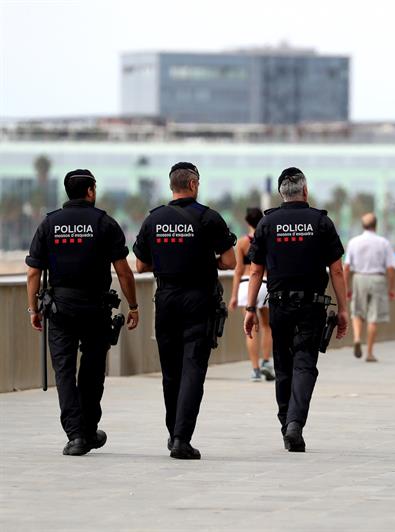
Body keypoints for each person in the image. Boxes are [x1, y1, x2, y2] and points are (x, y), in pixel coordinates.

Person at [25, 169, 139, 456]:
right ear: (90, 191)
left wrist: (33, 309)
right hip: (94, 308)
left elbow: (33, 273)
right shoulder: (104, 222)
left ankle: (76, 435)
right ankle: (87, 429)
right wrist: (134, 305)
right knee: (92, 371)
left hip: (59, 309)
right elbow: (124, 272)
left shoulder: (49, 223)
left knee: (63, 371)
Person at [134, 162, 237, 459]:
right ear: (193, 185)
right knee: (193, 368)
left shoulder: (154, 219)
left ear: (171, 186)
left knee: (171, 372)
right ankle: (181, 438)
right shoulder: (209, 218)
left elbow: (140, 265)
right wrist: (207, 262)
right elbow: (229, 261)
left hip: (165, 299)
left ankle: (172, 433)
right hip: (198, 299)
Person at [244, 167, 348, 453]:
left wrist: (250, 308)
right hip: (311, 306)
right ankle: (295, 424)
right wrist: (344, 310)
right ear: (305, 190)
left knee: (283, 364)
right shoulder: (321, 222)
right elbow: (337, 270)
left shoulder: (268, 223)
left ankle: (285, 422)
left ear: (281, 194)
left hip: (278, 305)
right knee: (304, 364)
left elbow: (255, 271)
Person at [344, 213, 395, 362]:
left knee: (357, 311)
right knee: (373, 318)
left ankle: (356, 338)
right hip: (378, 278)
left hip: (359, 277)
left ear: (363, 225)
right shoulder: (383, 243)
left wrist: (346, 287)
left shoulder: (354, 242)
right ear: (376, 225)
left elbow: (347, 267)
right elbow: (391, 268)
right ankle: (369, 352)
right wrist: (392, 288)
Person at [230, 207, 275, 382]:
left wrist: (234, 296)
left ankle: (255, 369)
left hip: (244, 286)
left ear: (247, 222)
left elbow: (238, 270)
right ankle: (265, 361)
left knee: (249, 330)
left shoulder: (242, 243)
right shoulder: (267, 240)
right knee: (266, 326)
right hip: (263, 284)